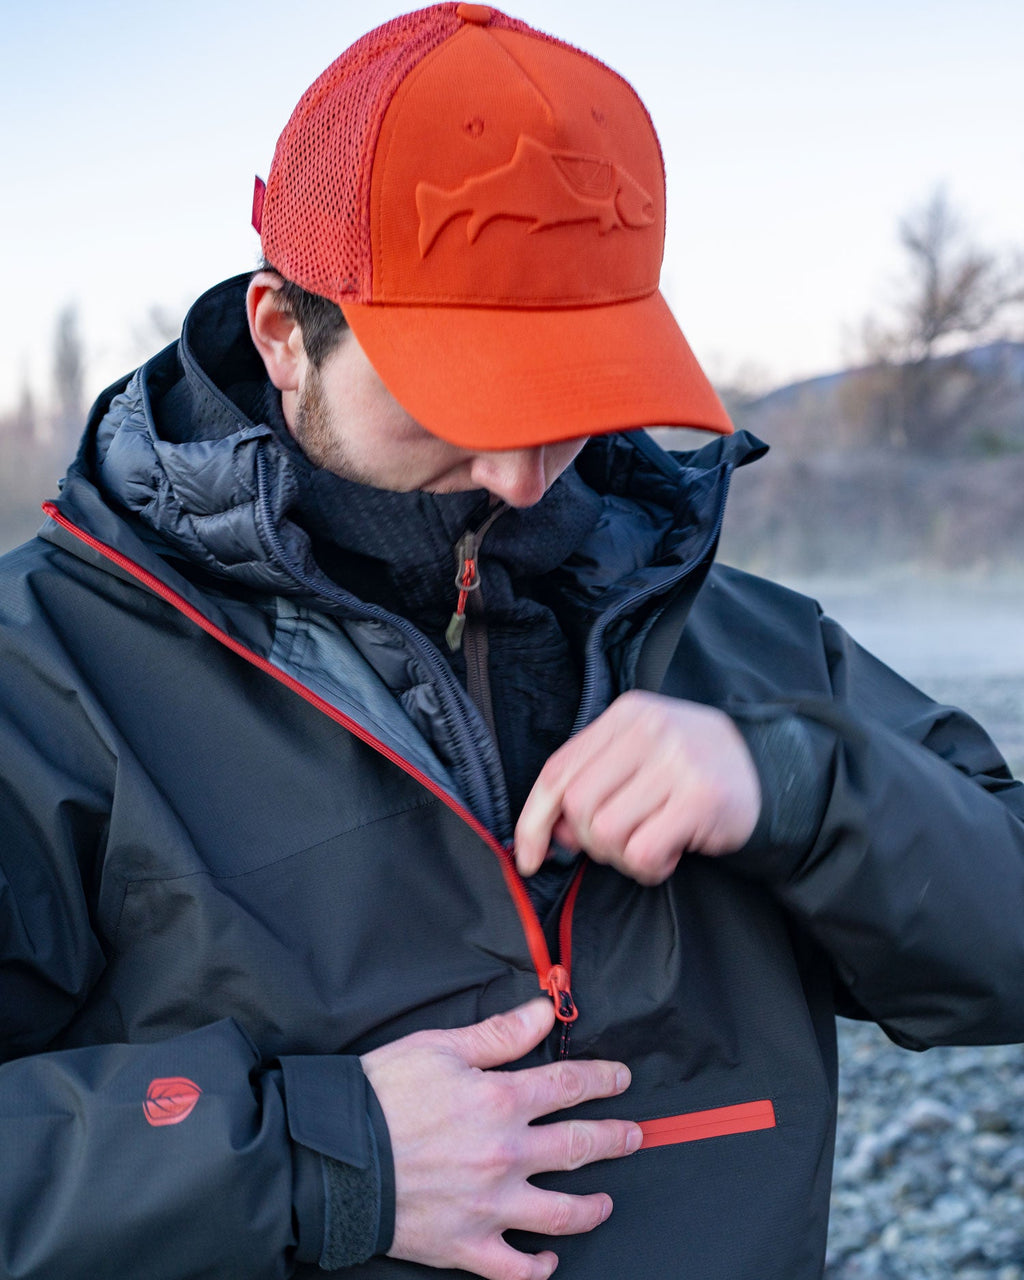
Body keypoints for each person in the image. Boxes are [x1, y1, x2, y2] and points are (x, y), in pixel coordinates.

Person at [1, 5, 1022, 1279]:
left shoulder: (750, 650)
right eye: (466, 395)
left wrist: (804, 790)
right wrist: (310, 1160)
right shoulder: (44, 670)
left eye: (569, 392)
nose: (525, 475)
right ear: (282, 332)